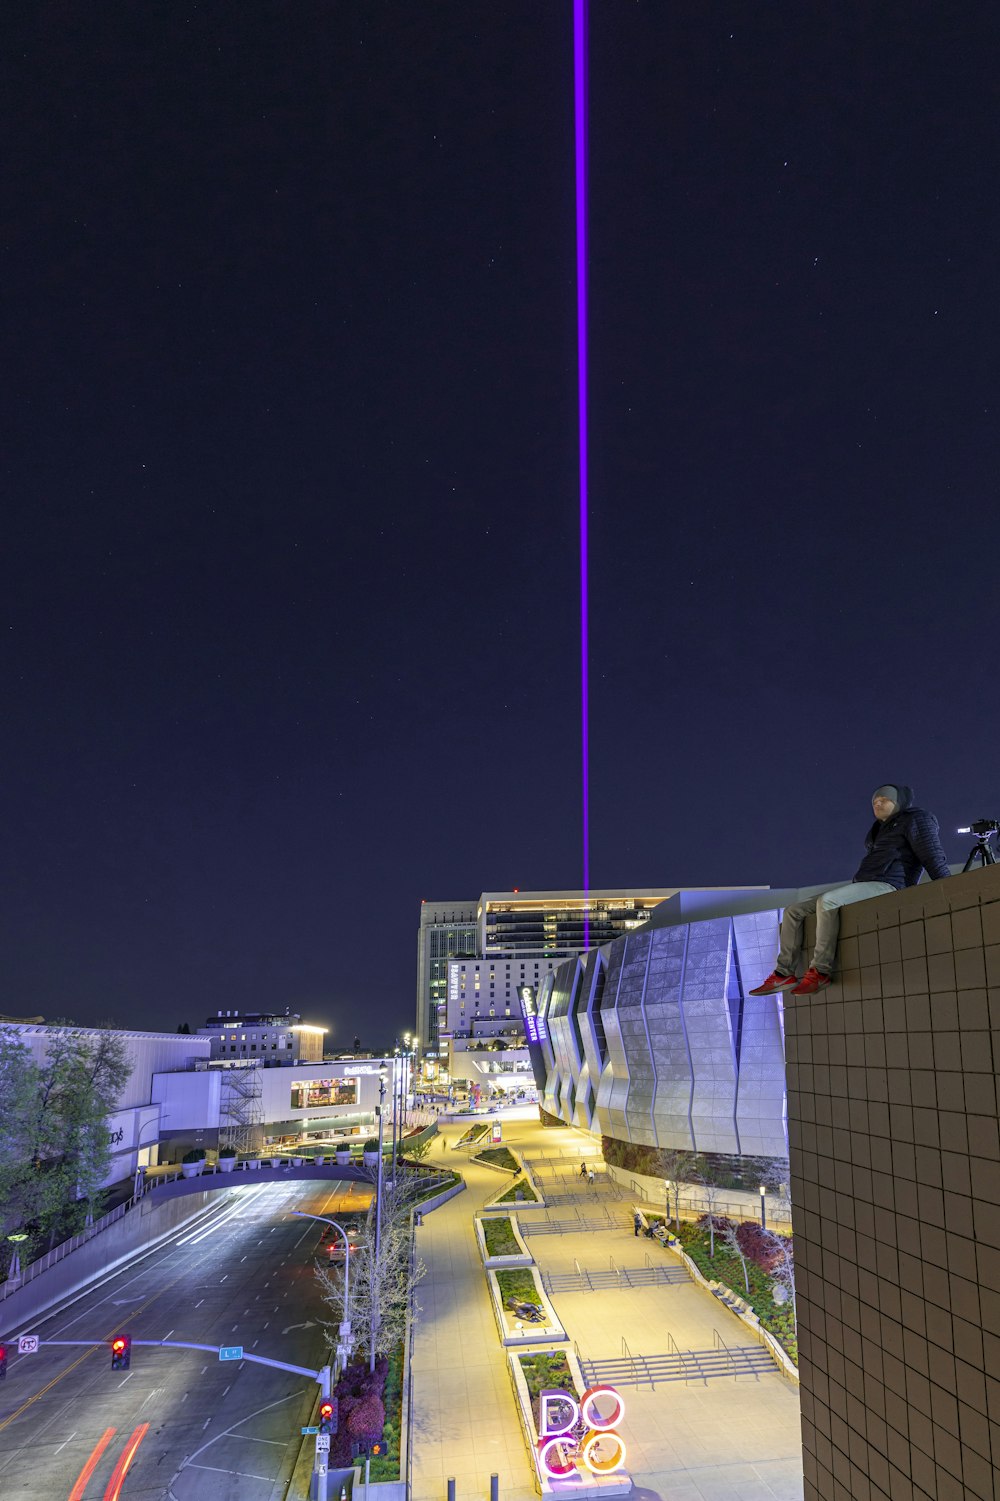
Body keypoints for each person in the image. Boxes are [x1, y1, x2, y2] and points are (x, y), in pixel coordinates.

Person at [751, 784, 951, 996]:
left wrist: (948, 886)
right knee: (793, 910)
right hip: (865, 885)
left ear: (899, 801)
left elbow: (932, 854)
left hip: (891, 885)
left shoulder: (917, 818)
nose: (878, 804)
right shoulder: (878, 830)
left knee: (828, 901)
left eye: (884, 799)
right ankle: (783, 974)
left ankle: (820, 972)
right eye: (874, 802)